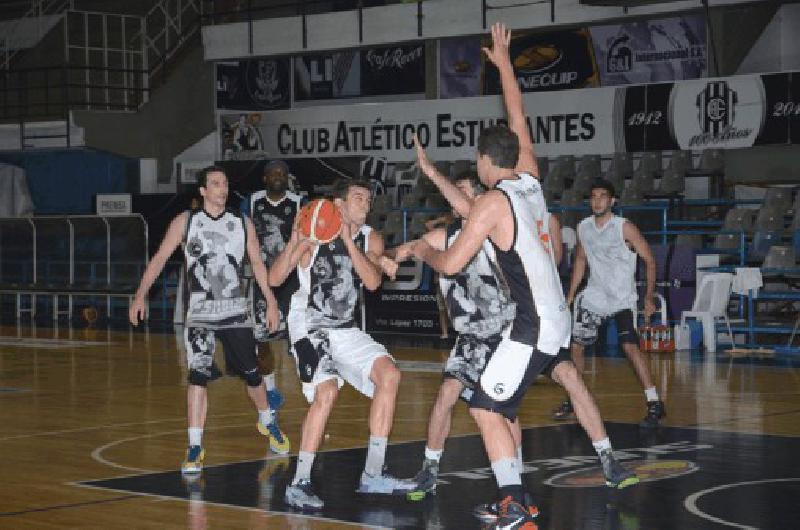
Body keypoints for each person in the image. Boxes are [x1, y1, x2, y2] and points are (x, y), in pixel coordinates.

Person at [398, 24, 637, 529]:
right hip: (551, 321)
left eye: (478, 159)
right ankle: (518, 498)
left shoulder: (489, 201)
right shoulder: (529, 177)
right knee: (496, 405)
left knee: (485, 409)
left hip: (530, 324)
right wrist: (505, 64)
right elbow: (518, 115)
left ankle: (515, 504)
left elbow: (452, 263)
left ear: (486, 162)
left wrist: (423, 247)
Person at [129, 166, 290, 475]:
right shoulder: (185, 222)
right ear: (202, 191)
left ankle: (267, 421)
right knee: (198, 377)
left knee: (253, 376)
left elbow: (257, 263)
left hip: (235, 312)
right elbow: (160, 259)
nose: (222, 188)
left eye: (225, 183)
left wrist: (270, 301)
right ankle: (194, 445)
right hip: (200, 314)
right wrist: (140, 295)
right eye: (215, 183)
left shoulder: (241, 223)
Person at [269, 178, 414, 511]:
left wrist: (350, 242)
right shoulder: (313, 236)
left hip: (346, 329)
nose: (366, 204)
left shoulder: (370, 238)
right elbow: (275, 279)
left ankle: (373, 473)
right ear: (339, 204)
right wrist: (294, 242)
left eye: (368, 200)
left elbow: (374, 282)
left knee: (390, 376)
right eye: (359, 198)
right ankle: (300, 481)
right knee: (328, 391)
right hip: (309, 326)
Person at [396, 173, 524, 506]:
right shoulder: (448, 234)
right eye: (456, 192)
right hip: (471, 336)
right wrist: (384, 259)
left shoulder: (493, 230)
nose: (456, 197)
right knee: (446, 394)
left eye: (464, 192)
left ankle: (516, 481)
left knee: (503, 412)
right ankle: (430, 466)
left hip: (504, 332)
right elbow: (411, 248)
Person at [553, 178, 666, 427]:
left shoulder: (624, 227)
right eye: (593, 196)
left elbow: (649, 260)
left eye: (603, 196)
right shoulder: (583, 227)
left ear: (612, 201)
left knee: (629, 347)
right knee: (577, 346)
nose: (597, 201)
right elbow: (581, 260)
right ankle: (573, 398)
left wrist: (648, 296)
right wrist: (571, 295)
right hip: (594, 296)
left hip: (622, 297)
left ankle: (654, 402)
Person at [248, 160, 305, 422]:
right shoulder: (252, 203)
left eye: (282, 173)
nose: (278, 177)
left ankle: (312, 385)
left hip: (291, 280)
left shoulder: (297, 202)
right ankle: (270, 390)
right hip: (263, 281)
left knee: (298, 337)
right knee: (261, 339)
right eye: (273, 173)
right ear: (265, 178)